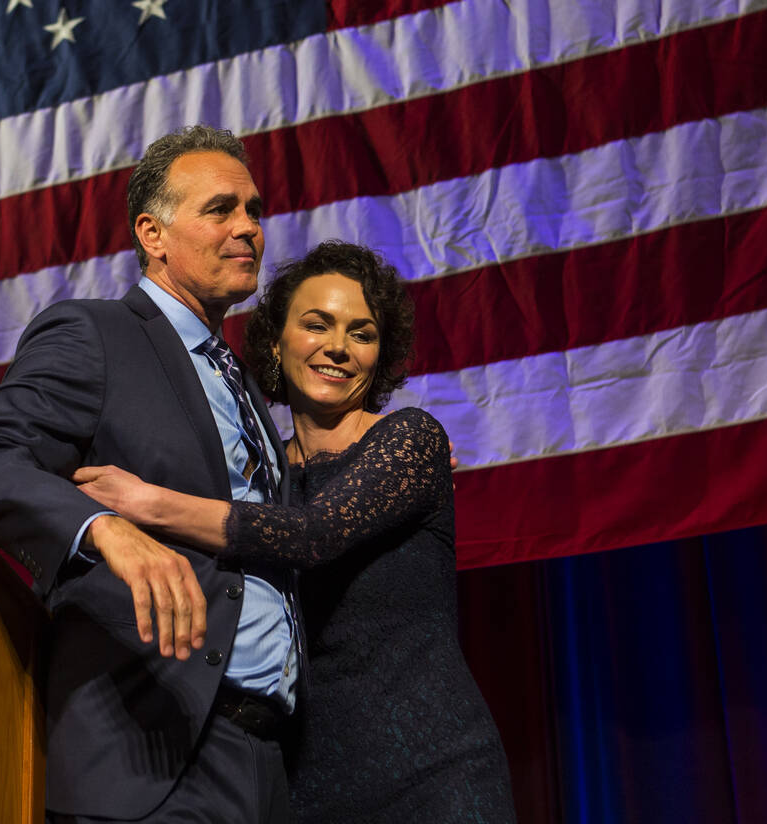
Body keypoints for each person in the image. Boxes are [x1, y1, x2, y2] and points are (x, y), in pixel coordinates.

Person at [73, 241, 518, 823]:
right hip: (303, 788)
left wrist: (144, 502)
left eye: (362, 333)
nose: (337, 346)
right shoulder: (260, 476)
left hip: (433, 774)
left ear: (380, 357)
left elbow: (311, 535)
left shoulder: (412, 440)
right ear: (276, 343)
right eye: (317, 324)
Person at [0, 125, 301, 822]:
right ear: (153, 234)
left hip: (271, 764)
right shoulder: (95, 333)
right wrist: (104, 529)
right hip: (153, 756)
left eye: (254, 210)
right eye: (220, 209)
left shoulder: (243, 384)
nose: (248, 228)